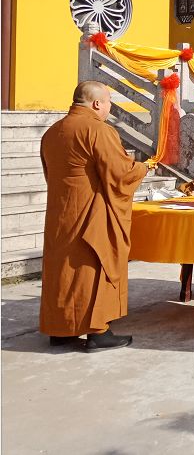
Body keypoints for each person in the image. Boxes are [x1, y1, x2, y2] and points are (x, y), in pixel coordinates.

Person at [39, 81, 149, 351]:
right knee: (91, 266)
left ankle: (61, 329)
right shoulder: (98, 129)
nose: (109, 108)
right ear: (97, 103)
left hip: (59, 213)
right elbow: (120, 173)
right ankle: (98, 330)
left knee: (62, 271)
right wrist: (144, 168)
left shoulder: (52, 133)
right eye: (109, 102)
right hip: (90, 212)